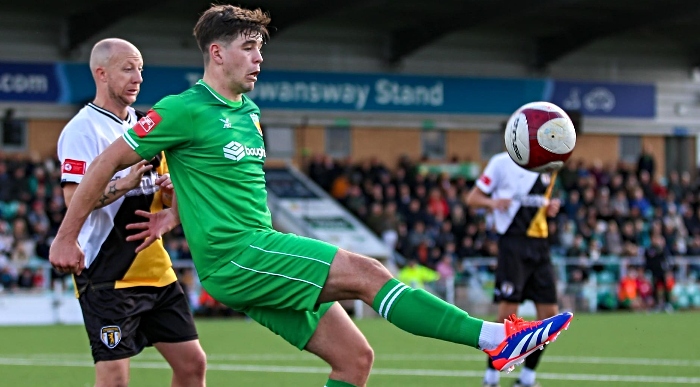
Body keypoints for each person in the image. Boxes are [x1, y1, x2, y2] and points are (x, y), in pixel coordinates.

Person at [49, 6, 572, 387]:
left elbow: (185, 178)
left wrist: (170, 220)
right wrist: (67, 237)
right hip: (238, 256)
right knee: (367, 274)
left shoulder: (248, 114)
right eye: (248, 48)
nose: (259, 59)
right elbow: (103, 164)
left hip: (256, 252)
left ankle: (498, 342)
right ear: (217, 52)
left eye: (261, 49)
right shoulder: (182, 108)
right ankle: (495, 340)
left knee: (354, 360)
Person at [55, 38, 206, 387]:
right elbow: (73, 199)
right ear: (101, 73)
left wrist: (171, 194)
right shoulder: (82, 130)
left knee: (192, 365)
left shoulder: (146, 128)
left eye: (140, 69)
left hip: (157, 271)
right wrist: (123, 184)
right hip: (108, 272)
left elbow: (169, 201)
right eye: (128, 68)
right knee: (114, 379)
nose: (138, 77)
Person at [466, 152, 562, 387]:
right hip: (512, 243)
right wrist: (493, 203)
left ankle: (527, 378)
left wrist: (551, 208)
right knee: (506, 318)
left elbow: (543, 203)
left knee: (549, 317)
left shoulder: (549, 166)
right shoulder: (501, 162)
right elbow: (472, 199)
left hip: (540, 245)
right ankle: (491, 377)